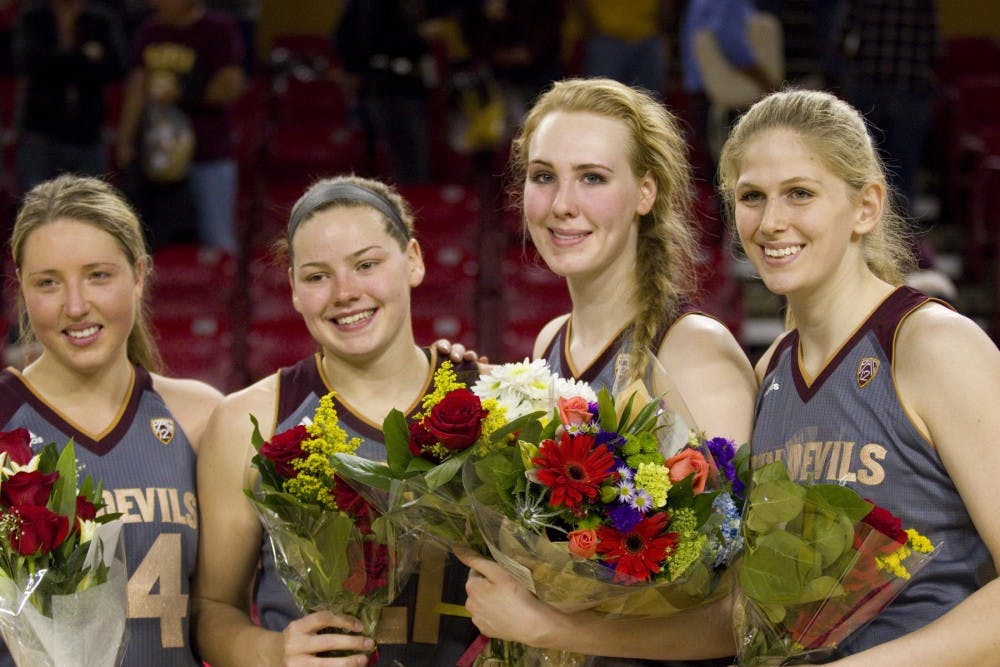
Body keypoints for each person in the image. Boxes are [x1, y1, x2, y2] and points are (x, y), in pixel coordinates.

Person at [457, 77, 757, 666]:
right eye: (544, 177)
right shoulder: (551, 341)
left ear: (646, 192)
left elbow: (737, 620)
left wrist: (548, 628)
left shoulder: (694, 352)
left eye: (592, 178)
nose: (561, 203)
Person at [716, 88, 1000, 663]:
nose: (771, 222)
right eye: (752, 197)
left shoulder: (933, 345)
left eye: (799, 194)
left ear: (866, 207)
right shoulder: (770, 369)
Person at [191, 175, 481, 665]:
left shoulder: (494, 400)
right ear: (294, 290)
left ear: (413, 259)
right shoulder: (248, 421)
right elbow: (211, 610)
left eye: (366, 265)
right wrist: (273, 653)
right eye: (317, 275)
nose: (345, 292)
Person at [0, 173, 223, 665]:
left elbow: (223, 615)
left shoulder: (201, 417)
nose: (75, 306)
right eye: (48, 283)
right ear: (22, 287)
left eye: (98, 275)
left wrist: (428, 369)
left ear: (139, 275)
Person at [115, 0, 245, 252]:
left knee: (216, 237)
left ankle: (220, 289)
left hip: (209, 152)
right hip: (157, 158)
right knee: (153, 240)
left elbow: (231, 85)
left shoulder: (218, 29)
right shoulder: (149, 31)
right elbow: (137, 88)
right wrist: (125, 140)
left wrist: (182, 92)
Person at [12, 0, 127, 195]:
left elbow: (116, 67)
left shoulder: (101, 19)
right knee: (35, 209)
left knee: (91, 209)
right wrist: (84, 58)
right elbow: (29, 62)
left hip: (88, 135)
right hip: (40, 134)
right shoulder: (32, 17)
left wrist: (57, 64)